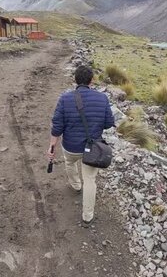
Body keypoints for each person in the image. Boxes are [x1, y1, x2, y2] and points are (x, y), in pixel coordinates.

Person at [48, 65, 114, 227]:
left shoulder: (65, 98)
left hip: (71, 146)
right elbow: (109, 123)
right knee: (90, 180)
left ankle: (76, 185)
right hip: (92, 150)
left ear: (75, 80)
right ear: (91, 81)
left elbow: (57, 126)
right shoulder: (102, 98)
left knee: (69, 162)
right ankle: (87, 216)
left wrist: (51, 147)